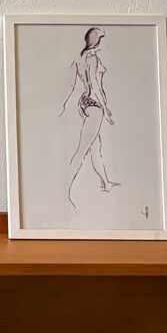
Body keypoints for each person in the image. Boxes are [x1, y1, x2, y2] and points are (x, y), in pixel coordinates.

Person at [58, 26, 120, 207]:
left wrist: (63, 105)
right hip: (95, 105)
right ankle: (64, 191)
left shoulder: (78, 59)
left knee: (95, 147)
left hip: (84, 103)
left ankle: (106, 183)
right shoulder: (93, 58)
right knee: (82, 150)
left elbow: (71, 85)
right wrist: (106, 108)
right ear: (97, 40)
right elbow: (95, 84)